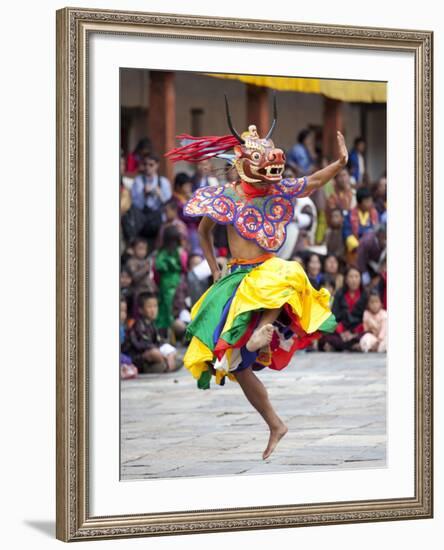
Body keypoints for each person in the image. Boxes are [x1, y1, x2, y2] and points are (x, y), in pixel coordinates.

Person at [165, 94, 349, 460]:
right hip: (237, 277)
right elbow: (203, 232)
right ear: (243, 163)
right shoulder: (227, 197)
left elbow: (311, 181)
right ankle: (275, 423)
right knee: (234, 365)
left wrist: (340, 163)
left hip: (265, 269)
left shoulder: (276, 189)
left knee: (287, 275)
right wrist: (217, 269)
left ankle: (264, 330)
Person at [125, 292, 178, 373]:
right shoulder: (138, 325)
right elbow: (141, 345)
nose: (153, 310)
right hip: (139, 358)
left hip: (154, 354)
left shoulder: (152, 324)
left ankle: (166, 365)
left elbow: (159, 341)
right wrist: (158, 351)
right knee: (155, 353)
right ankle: (165, 365)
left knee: (172, 351)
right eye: (149, 307)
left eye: (155, 306)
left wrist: (167, 351)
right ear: (141, 310)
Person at [318, 266, 366, 352]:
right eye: (351, 277)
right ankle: (352, 346)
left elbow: (366, 318)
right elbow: (335, 316)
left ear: (360, 279)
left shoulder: (365, 295)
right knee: (326, 337)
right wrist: (342, 332)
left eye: (356, 276)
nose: (354, 280)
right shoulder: (339, 294)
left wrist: (354, 333)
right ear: (346, 279)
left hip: (358, 331)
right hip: (342, 331)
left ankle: (344, 345)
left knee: (366, 336)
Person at [153, 225, 187, 339]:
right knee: (169, 308)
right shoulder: (168, 252)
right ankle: (169, 334)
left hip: (172, 283)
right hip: (171, 282)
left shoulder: (171, 251)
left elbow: (182, 266)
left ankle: (173, 334)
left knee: (172, 308)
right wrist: (172, 264)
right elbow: (160, 265)